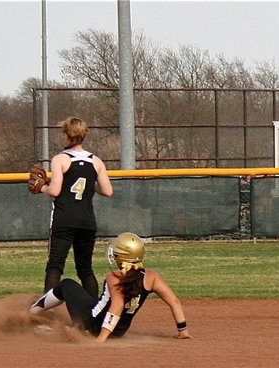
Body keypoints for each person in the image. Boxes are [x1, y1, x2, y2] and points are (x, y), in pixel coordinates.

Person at [30, 232, 191, 343]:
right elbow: (174, 301)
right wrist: (183, 330)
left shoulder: (114, 276)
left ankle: (31, 313)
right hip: (119, 331)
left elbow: (117, 306)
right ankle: (70, 328)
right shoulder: (151, 276)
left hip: (93, 324)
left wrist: (100, 338)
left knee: (67, 284)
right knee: (92, 302)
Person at [35, 116, 113, 298]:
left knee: (55, 265)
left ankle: (48, 314)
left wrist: (42, 188)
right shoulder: (96, 161)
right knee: (85, 268)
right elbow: (107, 191)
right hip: (87, 221)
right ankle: (93, 314)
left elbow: (54, 190)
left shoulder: (60, 159)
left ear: (66, 136)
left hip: (65, 218)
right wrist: (89, 182)